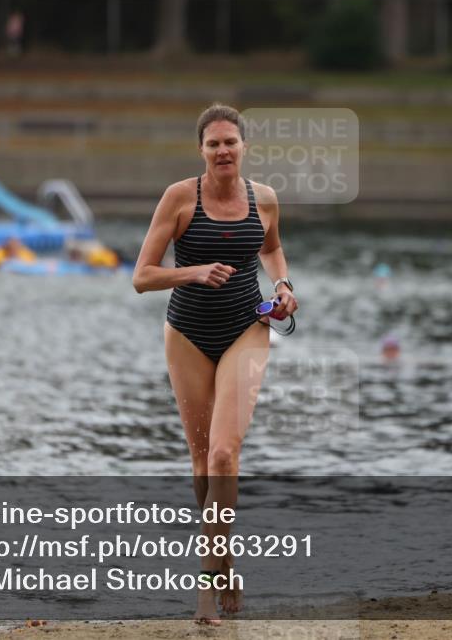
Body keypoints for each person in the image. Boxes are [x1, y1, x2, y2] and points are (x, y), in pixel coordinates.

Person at [132, 104, 298, 625]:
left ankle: (207, 586)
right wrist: (196, 271)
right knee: (202, 462)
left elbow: (271, 248)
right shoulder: (181, 198)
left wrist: (284, 286)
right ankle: (222, 565)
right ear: (201, 151)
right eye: (213, 144)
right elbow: (142, 276)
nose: (223, 151)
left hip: (247, 329)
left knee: (225, 453)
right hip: (186, 333)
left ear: (244, 147)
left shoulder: (264, 199)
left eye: (230, 142)